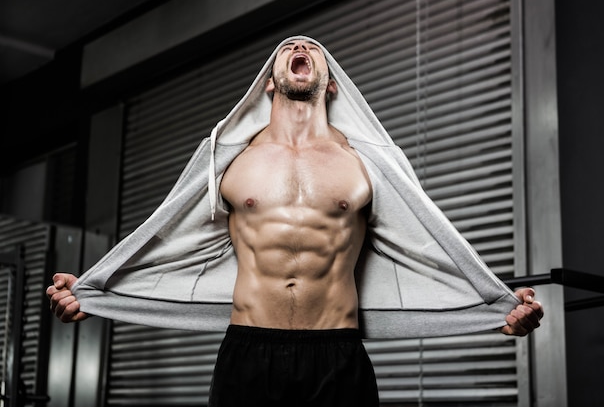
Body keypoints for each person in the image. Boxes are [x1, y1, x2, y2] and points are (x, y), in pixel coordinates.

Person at [48, 37, 543, 406]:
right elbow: (168, 240)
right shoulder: (229, 159)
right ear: (269, 81)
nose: (301, 46)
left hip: (337, 352)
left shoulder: (366, 163)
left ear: (330, 83)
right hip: (248, 351)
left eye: (312, 49)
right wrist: (98, 291)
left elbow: (426, 244)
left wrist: (493, 304)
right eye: (290, 47)